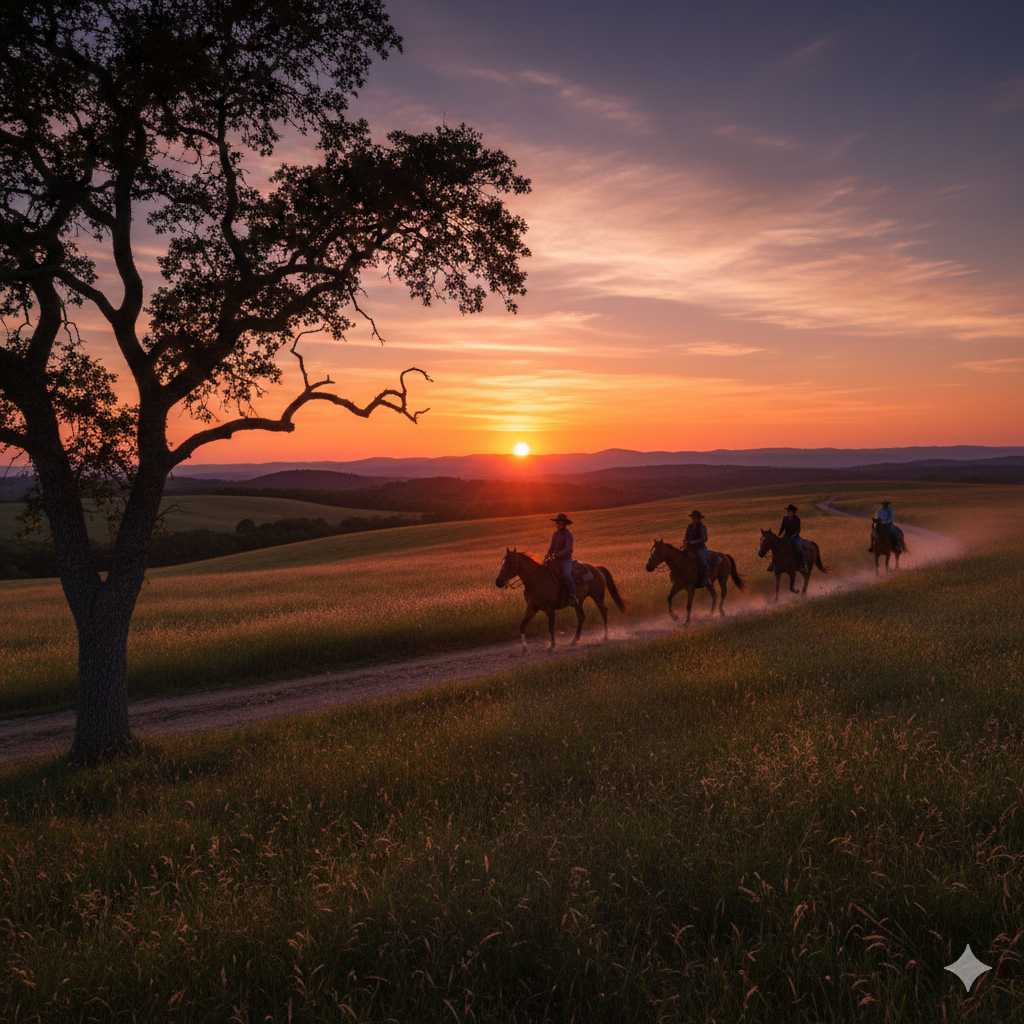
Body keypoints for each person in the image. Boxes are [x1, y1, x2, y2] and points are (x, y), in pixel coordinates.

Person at [545, 513, 578, 606]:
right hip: (555, 560)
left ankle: (573, 596)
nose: (558, 524)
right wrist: (548, 555)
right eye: (557, 522)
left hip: (565, 560)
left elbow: (568, 549)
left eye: (560, 522)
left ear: (564, 524)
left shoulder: (568, 535)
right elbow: (551, 547)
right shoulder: (555, 534)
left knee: (567, 575)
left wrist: (557, 554)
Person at [683, 509, 710, 586]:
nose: (693, 519)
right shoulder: (689, 526)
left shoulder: (702, 527)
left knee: (703, 562)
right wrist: (685, 541)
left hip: (700, 548)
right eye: (693, 518)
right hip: (690, 548)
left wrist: (693, 542)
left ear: (699, 518)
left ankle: (706, 579)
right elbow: (686, 536)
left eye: (695, 518)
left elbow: (704, 539)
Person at [776, 503, 804, 571]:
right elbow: (782, 528)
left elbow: (798, 529)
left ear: (793, 512)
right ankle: (774, 564)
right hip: (786, 536)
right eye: (788, 511)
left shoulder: (797, 519)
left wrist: (794, 535)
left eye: (790, 511)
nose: (789, 512)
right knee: (778, 548)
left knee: (799, 548)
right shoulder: (785, 518)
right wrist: (778, 535)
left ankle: (803, 565)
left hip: (795, 537)